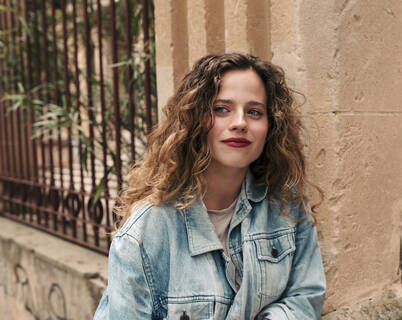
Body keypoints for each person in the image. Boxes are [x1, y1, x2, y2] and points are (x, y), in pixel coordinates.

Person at [93, 53, 326, 319]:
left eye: (254, 112)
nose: (240, 123)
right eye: (221, 109)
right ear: (195, 120)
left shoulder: (286, 205)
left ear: (270, 126)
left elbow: (305, 296)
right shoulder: (147, 231)